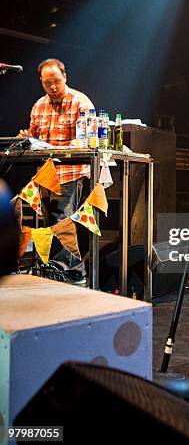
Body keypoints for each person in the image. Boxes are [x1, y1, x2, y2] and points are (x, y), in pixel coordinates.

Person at [19, 58, 94, 284]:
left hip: (71, 171)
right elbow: (34, 137)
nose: (52, 87)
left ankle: (71, 272)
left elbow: (87, 141)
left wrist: (54, 148)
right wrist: (27, 139)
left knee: (63, 220)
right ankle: (59, 269)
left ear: (65, 77)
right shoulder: (38, 105)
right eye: (47, 82)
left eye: (56, 81)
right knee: (50, 223)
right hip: (45, 174)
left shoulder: (80, 102)